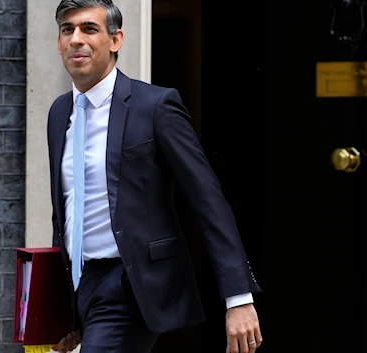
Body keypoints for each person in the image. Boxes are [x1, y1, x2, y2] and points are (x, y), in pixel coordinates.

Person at [47, 1, 263, 352]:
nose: (75, 40)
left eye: (89, 29)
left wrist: (238, 297)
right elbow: (65, 210)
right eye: (67, 30)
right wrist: (63, 311)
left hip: (130, 283)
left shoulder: (155, 106)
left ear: (116, 40)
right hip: (80, 286)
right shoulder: (59, 112)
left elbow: (208, 202)